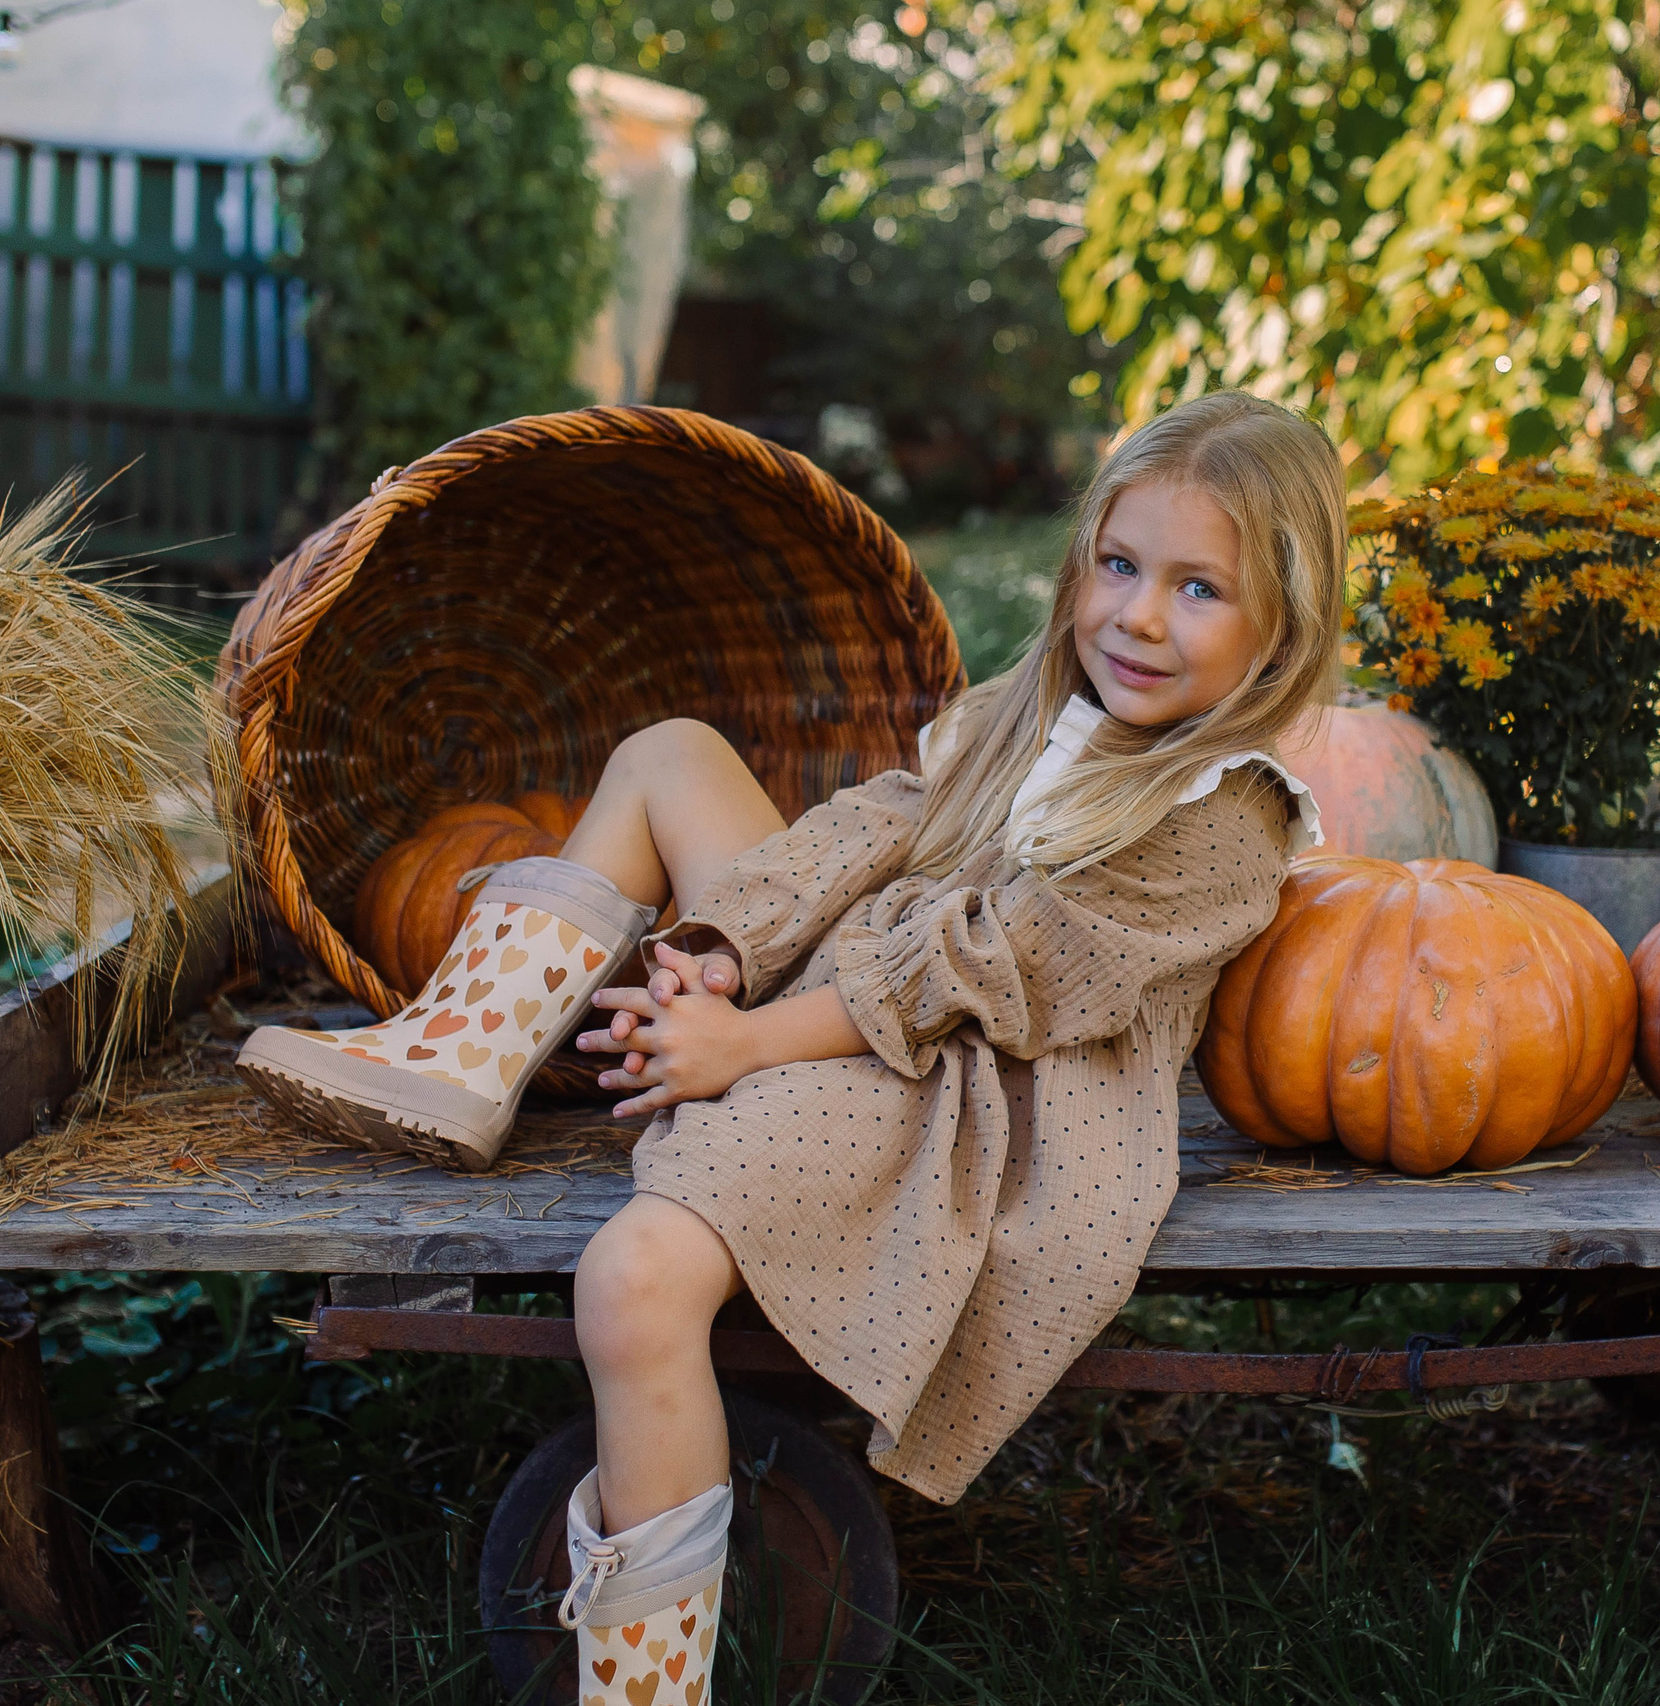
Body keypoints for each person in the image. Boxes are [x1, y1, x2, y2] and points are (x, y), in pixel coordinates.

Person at [235, 390, 1345, 1698]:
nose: (1139, 615)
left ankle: (647, 1689)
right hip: (862, 993)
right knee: (669, 755)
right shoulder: (1042, 707)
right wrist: (731, 943)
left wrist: (747, 1039)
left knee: (633, 1282)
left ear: (1283, 628)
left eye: (1198, 588)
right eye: (1119, 564)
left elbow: (980, 970)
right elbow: (881, 825)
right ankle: (468, 1056)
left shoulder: (1224, 815)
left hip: (975, 1096)